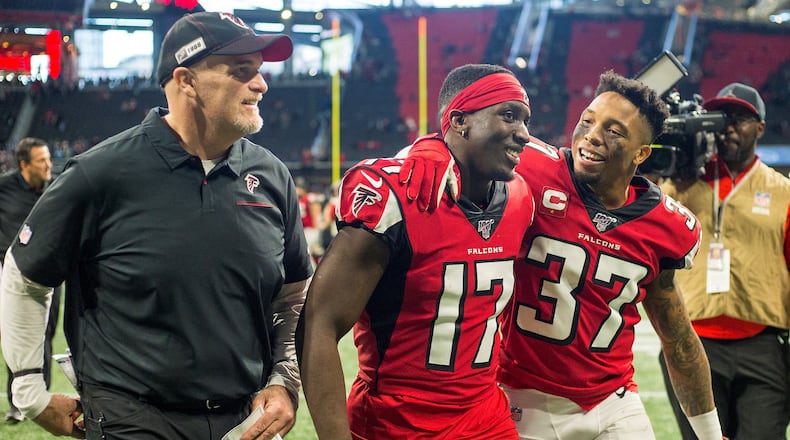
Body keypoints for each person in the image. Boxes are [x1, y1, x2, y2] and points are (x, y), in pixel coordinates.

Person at [0, 11, 313, 440]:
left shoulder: (272, 177)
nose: (261, 84)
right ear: (185, 81)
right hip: (131, 420)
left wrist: (284, 382)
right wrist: (30, 390)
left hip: (243, 421)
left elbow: (294, 295)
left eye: (258, 72)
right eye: (242, 72)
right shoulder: (101, 173)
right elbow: (24, 274)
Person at [400, 70, 723, 439]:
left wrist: (711, 435)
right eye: (588, 121)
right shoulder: (532, 168)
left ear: (642, 153)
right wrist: (429, 146)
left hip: (614, 400)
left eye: (614, 131)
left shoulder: (666, 225)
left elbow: (678, 339)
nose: (592, 136)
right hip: (523, 398)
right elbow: (467, 139)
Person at [297, 63, 535, 439]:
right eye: (509, 115)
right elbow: (319, 323)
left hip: (487, 418)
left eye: (526, 120)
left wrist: (429, 143)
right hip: (398, 424)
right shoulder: (397, 193)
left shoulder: (522, 194)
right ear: (460, 121)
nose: (524, 134)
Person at [658, 83, 790, 439]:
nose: (729, 127)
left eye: (741, 119)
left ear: (760, 128)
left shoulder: (783, 192)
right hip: (691, 342)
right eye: (722, 118)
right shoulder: (679, 183)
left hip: (763, 344)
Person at [0, 137, 58, 424]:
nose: (49, 165)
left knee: (46, 336)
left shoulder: (58, 188)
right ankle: (17, 402)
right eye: (41, 161)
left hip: (51, 276)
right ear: (24, 165)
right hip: (13, 278)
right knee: (18, 339)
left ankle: (42, 398)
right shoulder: (4, 188)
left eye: (48, 158)